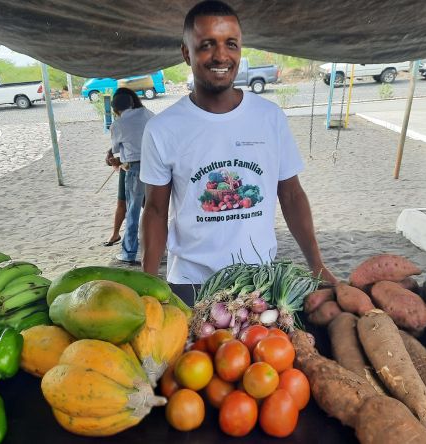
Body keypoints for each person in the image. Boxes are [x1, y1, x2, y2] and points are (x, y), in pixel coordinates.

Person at [140, 0, 336, 302]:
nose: (221, 55)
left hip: (261, 282)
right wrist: (147, 284)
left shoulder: (269, 118)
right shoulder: (162, 129)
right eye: (206, 45)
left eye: (231, 44)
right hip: (191, 285)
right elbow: (155, 210)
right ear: (185, 52)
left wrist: (317, 265)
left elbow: (292, 194)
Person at [110, 87, 154, 264]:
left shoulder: (117, 124)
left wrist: (113, 160)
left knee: (133, 211)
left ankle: (129, 253)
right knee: (156, 209)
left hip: (135, 169)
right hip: (156, 165)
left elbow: (116, 151)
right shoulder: (147, 113)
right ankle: (159, 246)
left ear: (115, 109)